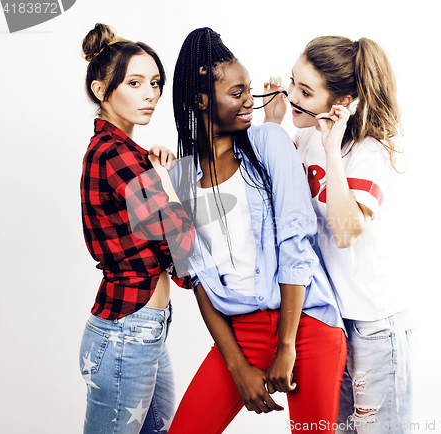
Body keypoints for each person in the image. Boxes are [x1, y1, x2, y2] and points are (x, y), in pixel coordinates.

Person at [167, 28, 347, 434]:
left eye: (249, 89)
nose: (250, 100)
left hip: (305, 325)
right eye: (236, 92)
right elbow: (195, 277)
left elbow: (295, 241)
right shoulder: (180, 178)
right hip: (239, 333)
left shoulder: (268, 141)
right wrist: (236, 366)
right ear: (201, 100)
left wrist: (286, 347)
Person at [263, 36, 414, 433]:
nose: (291, 94)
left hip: (372, 323)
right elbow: (272, 204)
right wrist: (272, 125)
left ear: (341, 102)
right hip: (330, 319)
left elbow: (346, 232)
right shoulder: (306, 133)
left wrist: (332, 151)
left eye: (305, 91)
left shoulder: (371, 151)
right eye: (293, 81)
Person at [78, 23, 195, 434]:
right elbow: (182, 243)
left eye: (155, 83)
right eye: (135, 82)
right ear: (100, 90)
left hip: (141, 327)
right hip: (129, 330)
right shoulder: (116, 156)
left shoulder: (126, 152)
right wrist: (163, 179)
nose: (150, 94)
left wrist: (156, 167)